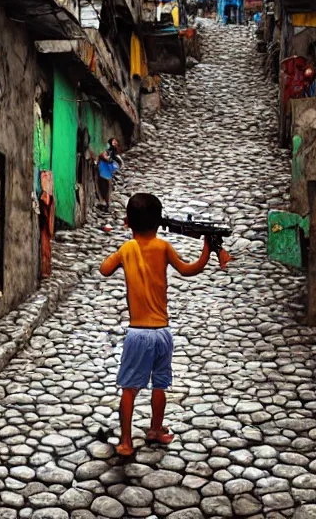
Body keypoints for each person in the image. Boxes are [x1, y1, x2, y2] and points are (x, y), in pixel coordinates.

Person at [99, 193, 212, 456]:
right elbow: (188, 269)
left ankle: (126, 441)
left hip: (138, 333)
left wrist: (120, 256)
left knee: (129, 389)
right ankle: (156, 429)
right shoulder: (163, 248)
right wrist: (207, 249)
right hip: (162, 332)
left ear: (127, 222)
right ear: (159, 223)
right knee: (159, 385)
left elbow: (104, 269)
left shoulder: (126, 250)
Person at [97, 138, 123, 210]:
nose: (115, 145)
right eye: (114, 143)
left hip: (107, 170)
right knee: (105, 186)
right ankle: (105, 202)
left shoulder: (114, 152)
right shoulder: (107, 150)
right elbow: (102, 156)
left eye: (116, 144)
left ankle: (107, 202)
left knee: (107, 186)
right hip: (104, 169)